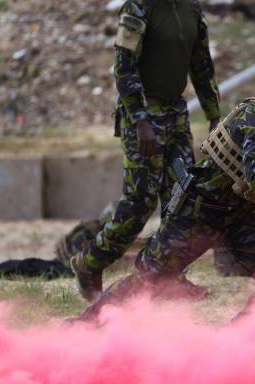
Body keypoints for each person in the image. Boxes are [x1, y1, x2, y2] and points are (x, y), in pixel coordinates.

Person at [76, 64, 255, 321]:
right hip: (199, 210)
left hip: (238, 217)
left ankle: (234, 346)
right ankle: (82, 328)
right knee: (150, 281)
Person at [70, 0, 221, 302]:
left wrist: (214, 113)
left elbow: (201, 64)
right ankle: (90, 262)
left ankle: (170, 278)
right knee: (140, 201)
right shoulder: (138, 8)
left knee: (182, 198)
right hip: (143, 116)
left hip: (176, 114)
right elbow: (123, 66)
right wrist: (140, 120)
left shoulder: (191, 10)